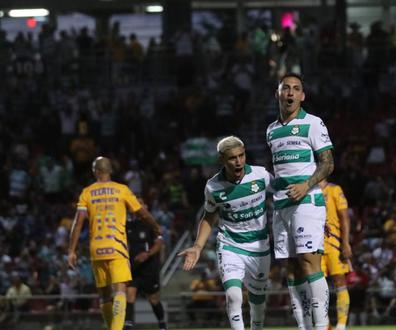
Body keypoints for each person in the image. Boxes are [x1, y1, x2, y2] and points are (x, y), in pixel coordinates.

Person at [179, 136, 273, 330]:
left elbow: (284, 193)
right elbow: (209, 216)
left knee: (257, 299)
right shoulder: (213, 187)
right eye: (232, 158)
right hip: (230, 244)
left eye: (241, 155)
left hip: (259, 245)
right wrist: (197, 246)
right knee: (233, 296)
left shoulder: (261, 175)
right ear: (222, 160)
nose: (239, 161)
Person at [267, 73, 334, 330]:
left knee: (309, 261)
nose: (291, 93)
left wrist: (306, 185)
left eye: (296, 89)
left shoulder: (314, 123)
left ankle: (321, 326)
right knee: (292, 268)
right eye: (286, 89)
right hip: (281, 206)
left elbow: (328, 163)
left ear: (302, 96)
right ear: (278, 94)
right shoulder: (271, 131)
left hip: (307, 201)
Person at [68, 157, 161, 330]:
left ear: (95, 171)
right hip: (116, 247)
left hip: (96, 249)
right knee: (120, 291)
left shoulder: (87, 192)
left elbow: (78, 222)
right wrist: (156, 227)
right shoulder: (122, 190)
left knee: (104, 296)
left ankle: (112, 327)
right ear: (110, 171)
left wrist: (71, 251)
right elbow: (142, 213)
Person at [124, 199, 167, 330]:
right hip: (134, 268)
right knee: (129, 295)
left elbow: (159, 243)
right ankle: (128, 325)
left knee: (153, 300)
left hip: (149, 268)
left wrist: (147, 254)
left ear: (146, 206)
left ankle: (162, 323)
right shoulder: (128, 225)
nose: (137, 205)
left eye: (140, 203)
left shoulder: (151, 224)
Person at [319, 179, 352, 330]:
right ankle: (325, 324)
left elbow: (344, 217)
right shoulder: (308, 190)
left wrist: (345, 243)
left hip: (334, 244)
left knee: (339, 281)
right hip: (315, 244)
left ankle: (341, 325)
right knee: (317, 285)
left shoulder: (334, 190)